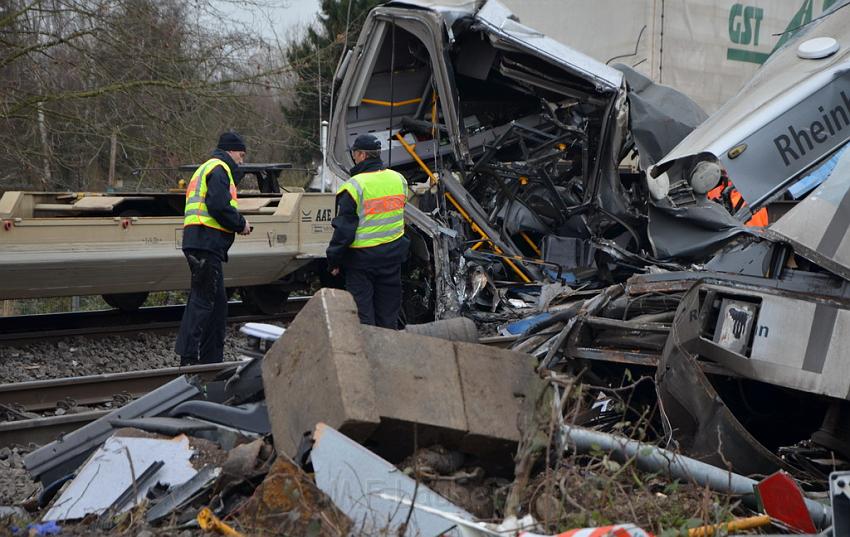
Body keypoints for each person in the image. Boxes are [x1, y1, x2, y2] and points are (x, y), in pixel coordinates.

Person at [175, 132, 251, 365]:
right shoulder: (219, 170)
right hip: (206, 242)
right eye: (241, 154)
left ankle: (212, 362)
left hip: (200, 241)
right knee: (202, 300)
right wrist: (241, 224)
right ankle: (188, 359)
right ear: (230, 150)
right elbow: (218, 206)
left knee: (217, 307)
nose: (242, 160)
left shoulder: (207, 168)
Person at [326, 134, 409, 328]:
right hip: (392, 258)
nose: (354, 158)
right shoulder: (399, 180)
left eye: (355, 154)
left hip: (362, 262)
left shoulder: (355, 187)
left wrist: (333, 260)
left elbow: (344, 232)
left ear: (362, 155)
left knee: (364, 319)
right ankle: (387, 355)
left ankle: (367, 356)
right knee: (388, 317)